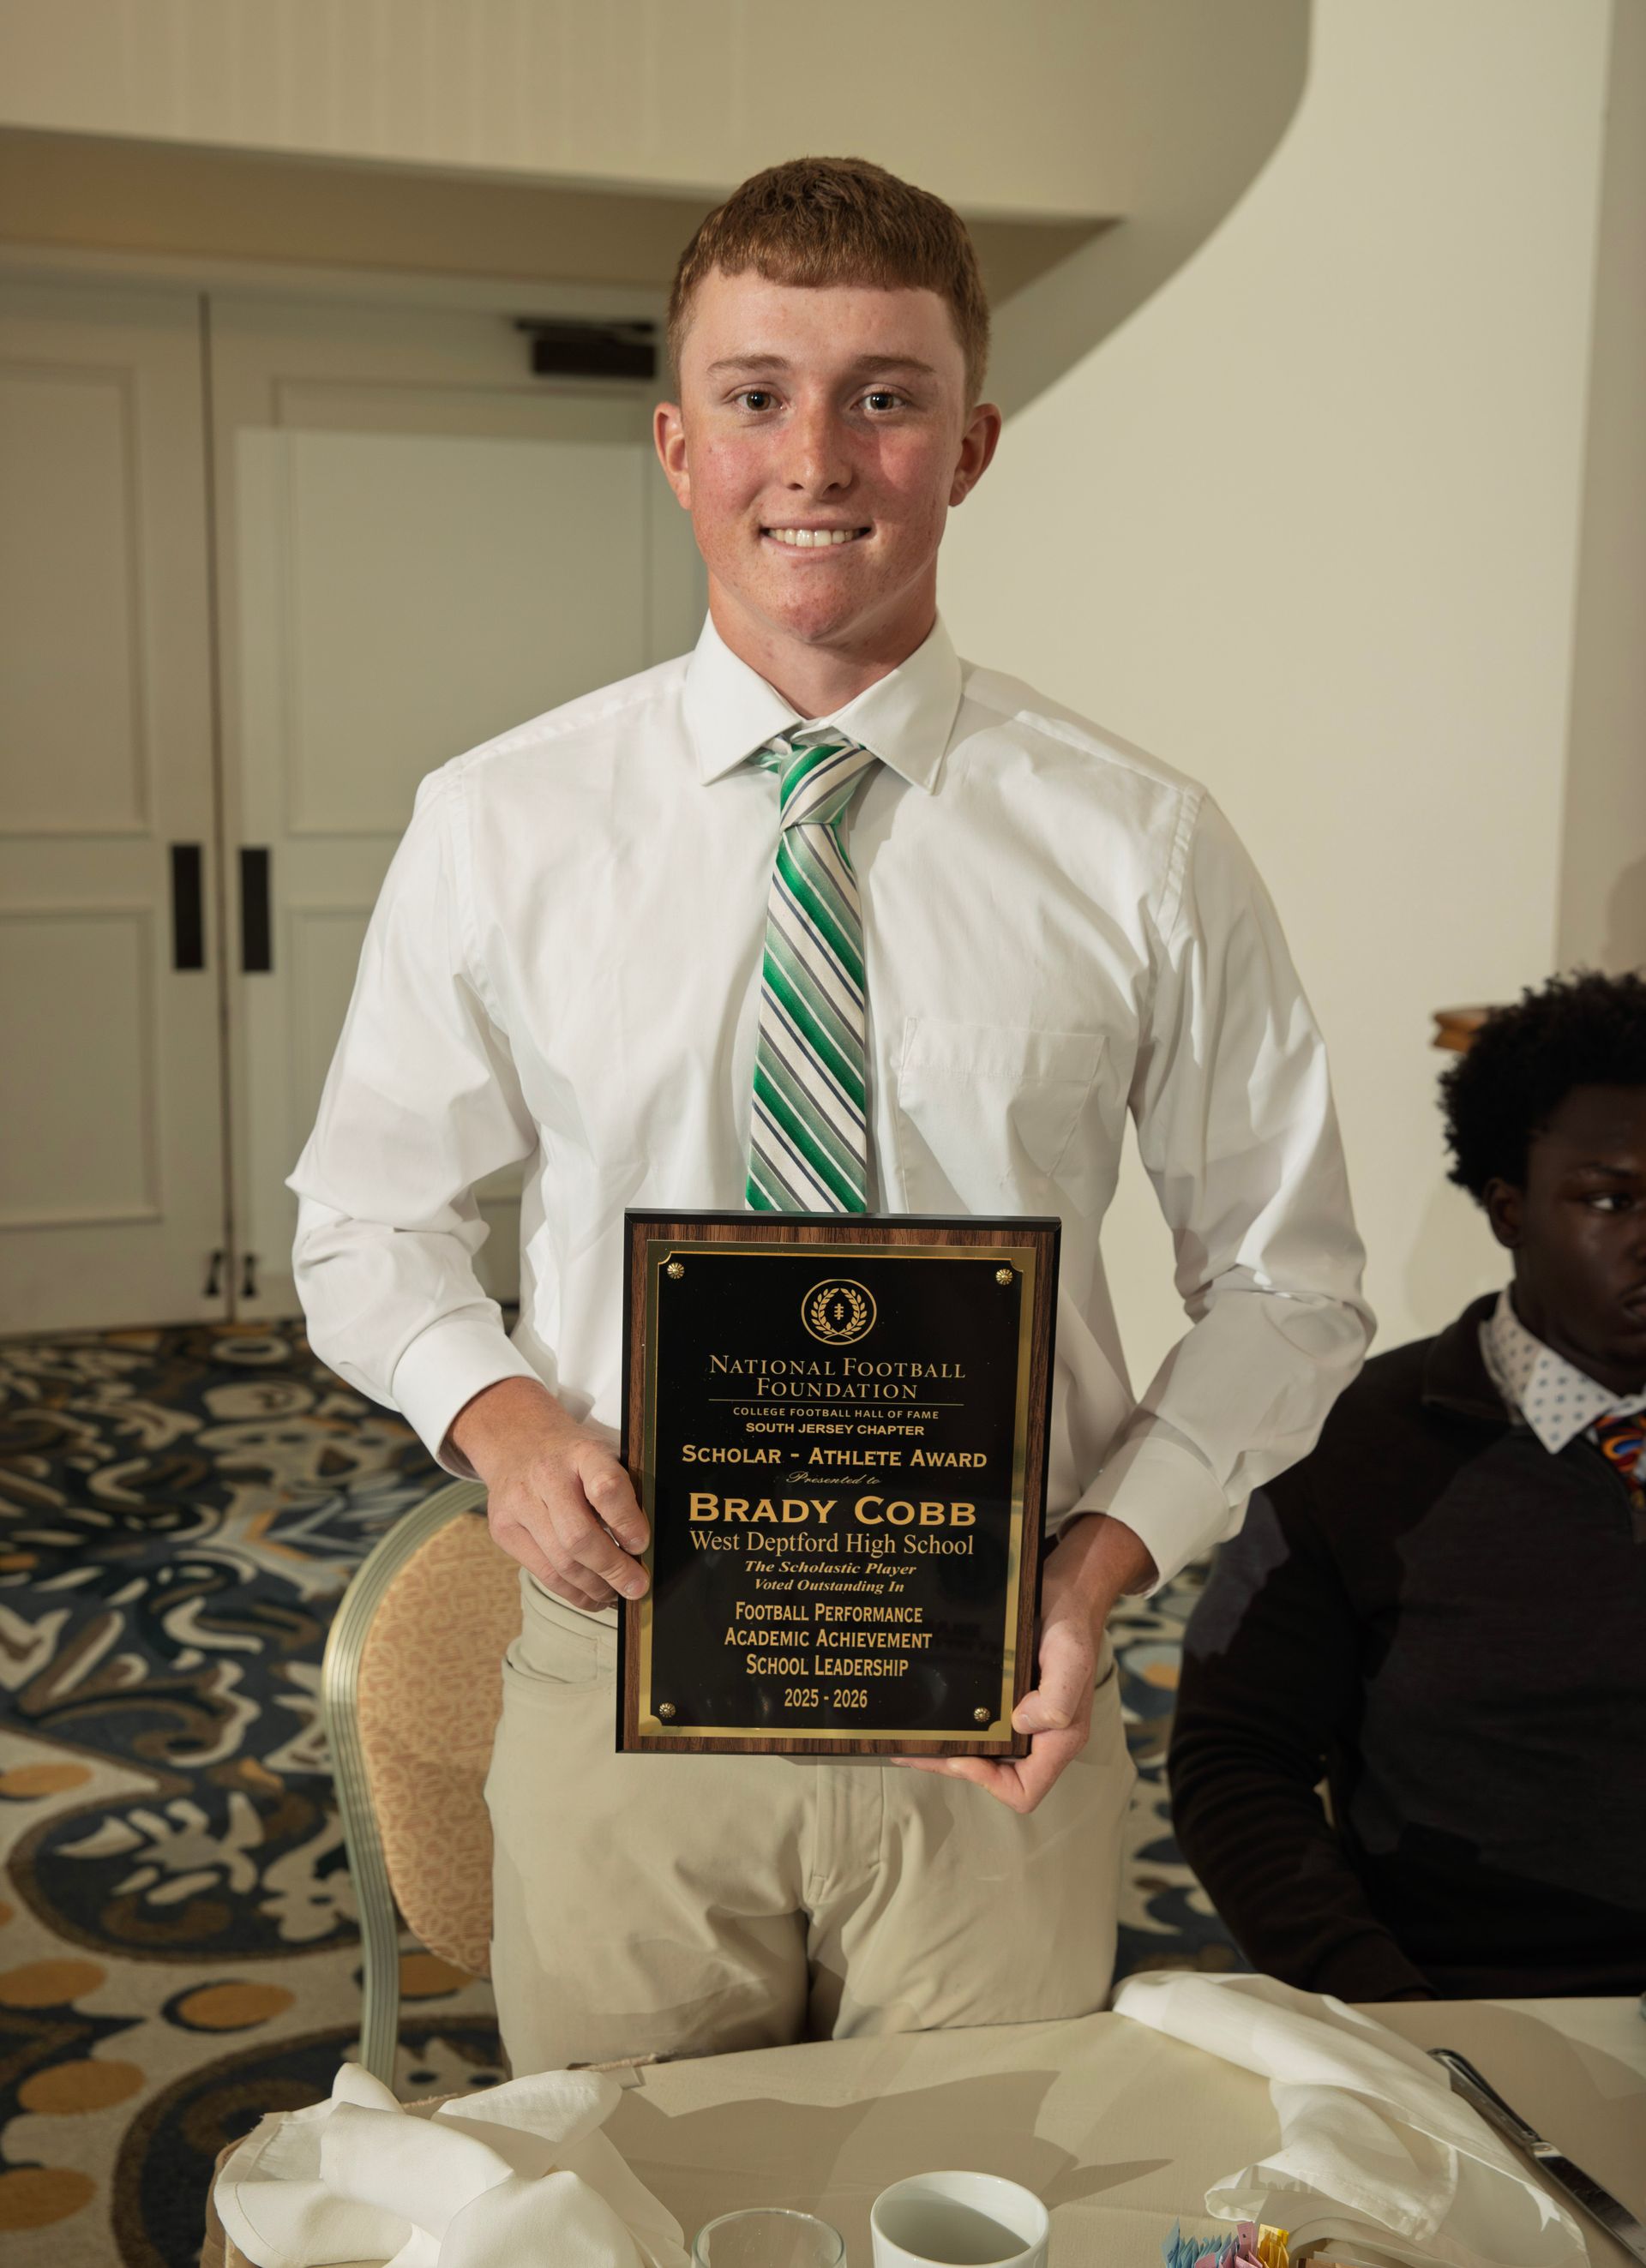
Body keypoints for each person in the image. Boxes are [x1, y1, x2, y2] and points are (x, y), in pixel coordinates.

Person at [291, 156, 1371, 2073]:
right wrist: (505, 1415)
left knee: (972, 2198)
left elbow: (1291, 1287)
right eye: (758, 392)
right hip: (625, 1670)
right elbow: (368, 1220)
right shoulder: (504, 821)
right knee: (629, 2197)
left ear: (968, 447)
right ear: (675, 440)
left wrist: (1101, 1565)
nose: (822, 454)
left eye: (886, 393)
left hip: (994, 1700)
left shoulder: (1140, 846)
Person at [1168, 969, 1646, 2000]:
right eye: (1611, 1199)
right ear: (1509, 1210)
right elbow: (1235, 1761)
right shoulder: (1356, 1442)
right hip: (1465, 2015)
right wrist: (1382, 2007)